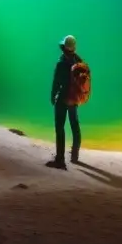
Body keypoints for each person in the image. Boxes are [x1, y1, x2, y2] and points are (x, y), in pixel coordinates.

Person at [46, 34, 82, 169]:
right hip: (74, 98)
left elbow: (56, 82)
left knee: (60, 127)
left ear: (64, 48)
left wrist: (53, 96)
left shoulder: (61, 63)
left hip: (63, 98)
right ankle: (75, 156)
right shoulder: (78, 61)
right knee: (74, 125)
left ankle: (60, 160)